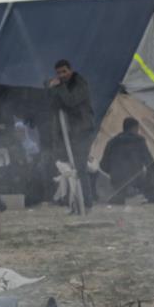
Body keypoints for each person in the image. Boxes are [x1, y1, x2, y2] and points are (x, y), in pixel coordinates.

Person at [46, 61, 96, 209]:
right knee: (69, 166)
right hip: (70, 133)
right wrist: (50, 88)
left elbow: (71, 101)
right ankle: (75, 200)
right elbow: (53, 104)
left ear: (71, 70)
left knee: (80, 166)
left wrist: (58, 87)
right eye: (59, 73)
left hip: (84, 130)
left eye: (64, 72)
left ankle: (86, 202)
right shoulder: (63, 85)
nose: (62, 75)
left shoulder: (80, 83)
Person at [98, 116, 153, 202]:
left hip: (117, 182)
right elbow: (150, 163)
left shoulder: (112, 142)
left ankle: (125, 191)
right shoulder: (139, 141)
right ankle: (134, 190)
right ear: (135, 128)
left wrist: (115, 172)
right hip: (136, 181)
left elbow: (103, 165)